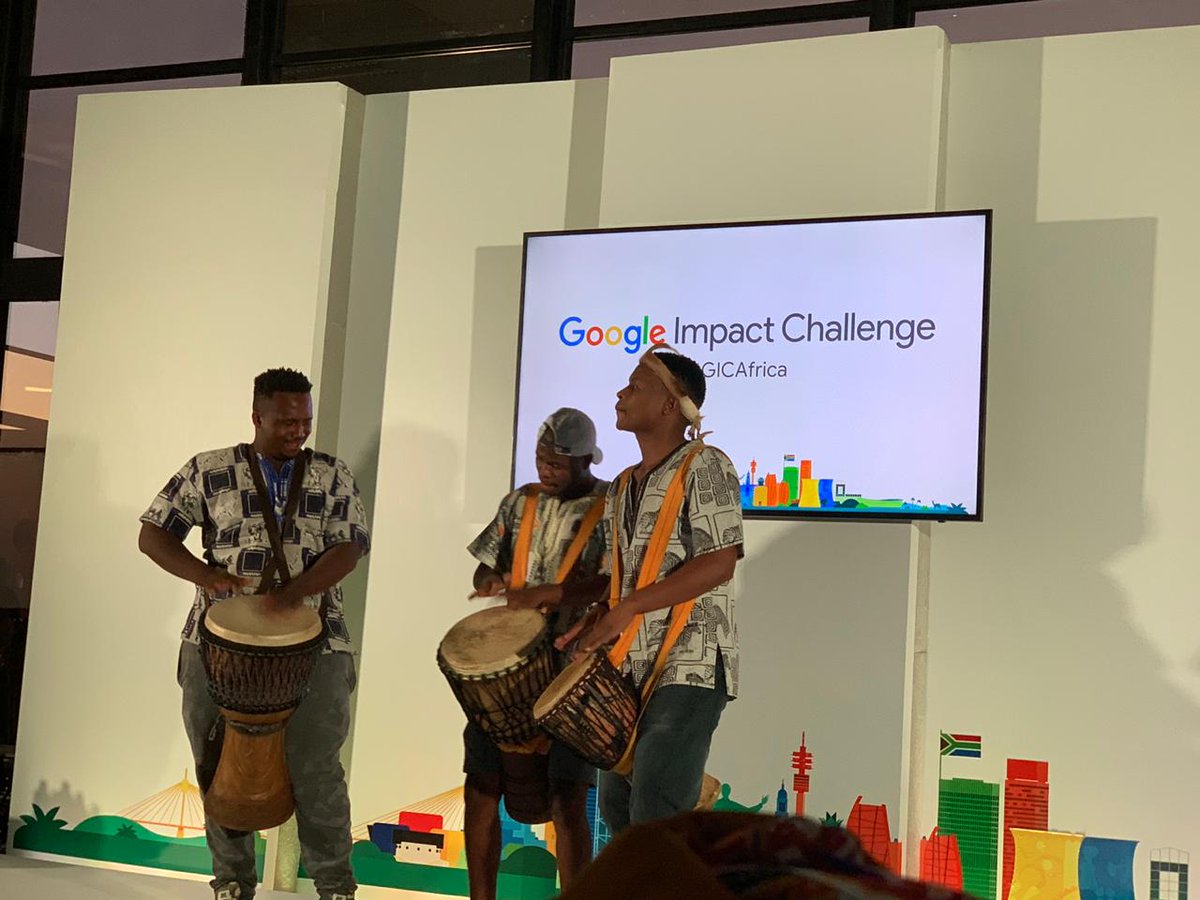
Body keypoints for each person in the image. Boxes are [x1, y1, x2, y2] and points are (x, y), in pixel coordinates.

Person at [138, 367, 369, 900]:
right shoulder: (209, 468)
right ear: (257, 417)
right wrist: (206, 576)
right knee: (218, 764)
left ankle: (336, 886)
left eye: (305, 421)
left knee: (317, 769)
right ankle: (232, 881)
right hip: (215, 644)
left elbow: (350, 547)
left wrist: (293, 595)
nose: (298, 431)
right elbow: (153, 534)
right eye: (286, 421)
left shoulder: (333, 474)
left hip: (320, 642)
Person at [566, 348, 743, 834]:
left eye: (635, 387)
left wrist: (629, 607)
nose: (620, 394)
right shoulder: (622, 485)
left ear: (670, 404)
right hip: (631, 664)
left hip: (691, 660)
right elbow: (623, 577)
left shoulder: (706, 464)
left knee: (655, 811)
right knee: (618, 809)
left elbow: (720, 560)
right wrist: (595, 618)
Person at [464, 408, 610, 900]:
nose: (545, 470)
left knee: (568, 796)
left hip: (572, 671)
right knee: (481, 785)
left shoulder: (608, 506)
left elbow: (610, 581)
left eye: (556, 463)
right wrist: (492, 581)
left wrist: (548, 595)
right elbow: (486, 565)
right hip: (509, 668)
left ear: (586, 461)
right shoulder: (519, 502)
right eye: (540, 459)